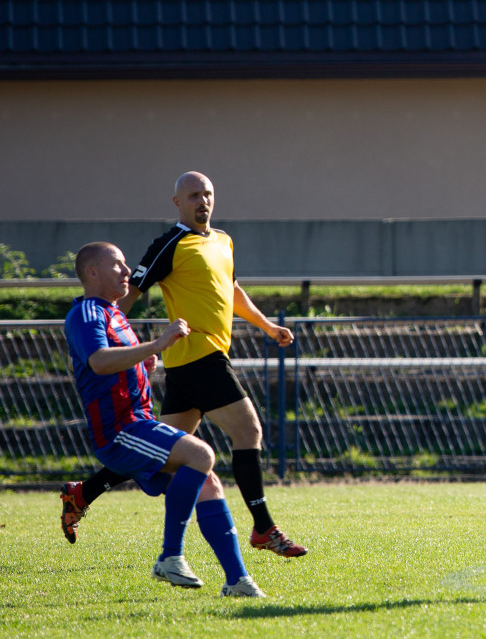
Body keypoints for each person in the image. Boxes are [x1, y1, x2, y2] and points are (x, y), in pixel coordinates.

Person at [61, 172, 307, 558]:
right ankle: (264, 528)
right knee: (248, 430)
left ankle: (83, 493)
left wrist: (267, 325)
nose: (202, 201)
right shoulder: (169, 244)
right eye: (193, 195)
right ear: (177, 202)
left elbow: (232, 289)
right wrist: (104, 343)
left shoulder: (223, 240)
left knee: (160, 454)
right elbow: (127, 293)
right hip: (198, 357)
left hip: (190, 364)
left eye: (207, 194)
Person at [64, 242, 265, 597]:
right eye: (118, 265)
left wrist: (145, 361)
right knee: (201, 456)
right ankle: (170, 556)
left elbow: (121, 363)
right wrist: (156, 345)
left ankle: (238, 581)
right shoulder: (87, 313)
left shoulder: (114, 314)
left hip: (138, 423)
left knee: (209, 484)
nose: (127, 272)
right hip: (119, 430)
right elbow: (98, 361)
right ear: (92, 273)